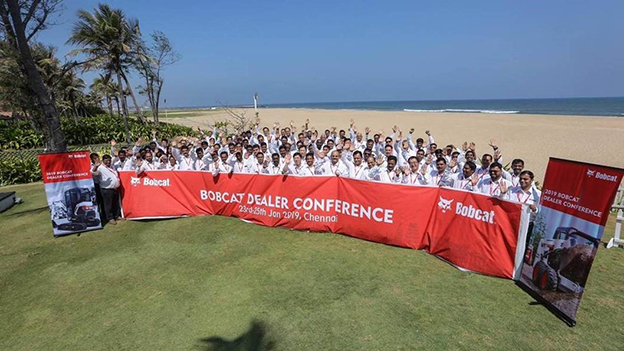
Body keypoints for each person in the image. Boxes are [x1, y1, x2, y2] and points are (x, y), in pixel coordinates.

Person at [91, 155, 121, 225]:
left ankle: (116, 215)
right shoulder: (100, 168)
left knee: (115, 203)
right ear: (103, 161)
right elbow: (93, 172)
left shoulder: (112, 166)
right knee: (108, 204)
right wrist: (95, 166)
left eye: (109, 160)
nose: (108, 162)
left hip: (115, 188)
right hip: (106, 189)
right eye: (106, 160)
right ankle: (110, 218)